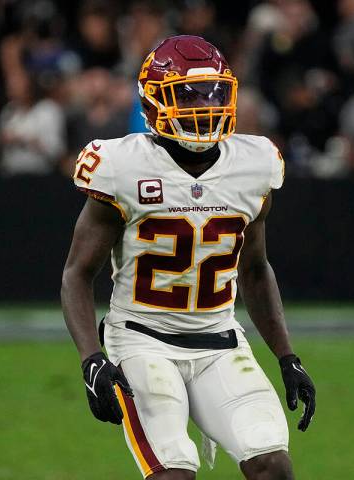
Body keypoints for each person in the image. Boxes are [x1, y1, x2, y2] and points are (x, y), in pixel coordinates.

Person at [61, 35, 316, 479]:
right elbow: (77, 275)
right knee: (173, 471)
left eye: (215, 93)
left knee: (274, 466)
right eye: (189, 94)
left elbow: (255, 269)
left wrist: (287, 355)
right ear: (154, 101)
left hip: (220, 338)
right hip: (141, 340)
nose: (204, 105)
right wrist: (91, 357)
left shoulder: (252, 164)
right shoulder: (122, 166)